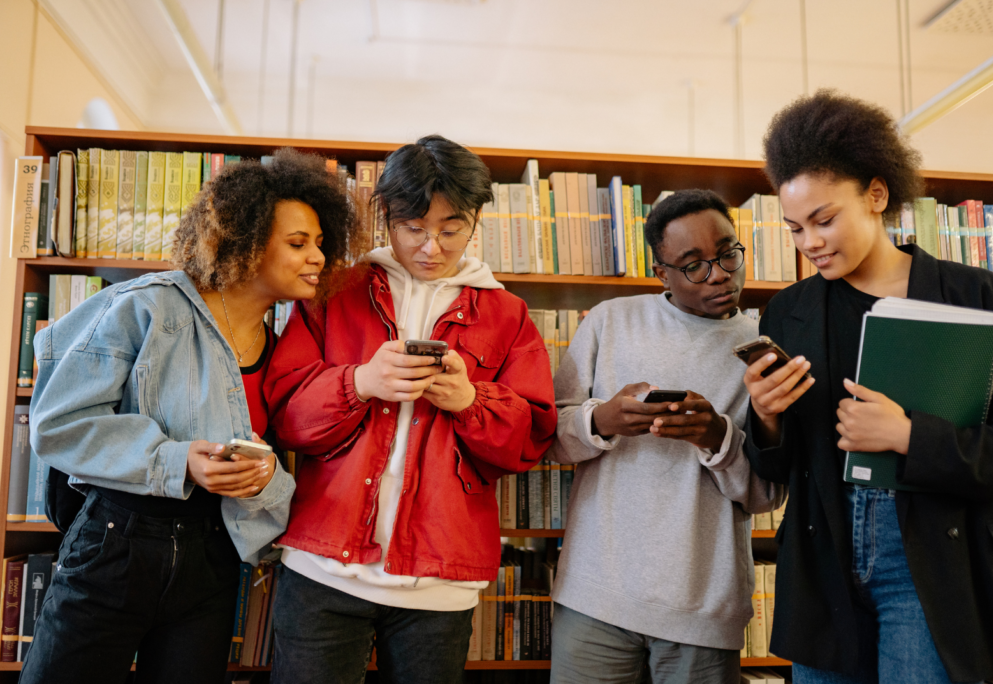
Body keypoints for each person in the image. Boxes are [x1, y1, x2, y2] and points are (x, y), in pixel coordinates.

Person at [24, 148, 357, 684]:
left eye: (320, 243)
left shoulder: (283, 351)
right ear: (246, 241)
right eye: (298, 243)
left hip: (213, 555)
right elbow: (59, 424)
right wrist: (180, 461)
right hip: (116, 542)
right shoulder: (146, 306)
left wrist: (264, 478)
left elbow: (276, 465)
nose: (318, 257)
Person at [742, 90, 993, 684]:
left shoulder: (984, 298)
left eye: (824, 220)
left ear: (876, 194)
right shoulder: (788, 312)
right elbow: (776, 467)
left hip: (935, 562)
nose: (810, 243)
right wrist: (765, 417)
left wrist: (909, 437)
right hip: (823, 563)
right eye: (794, 228)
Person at [264, 134, 558, 684]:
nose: (432, 248)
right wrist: (362, 382)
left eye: (451, 230)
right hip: (323, 567)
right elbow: (284, 417)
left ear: (475, 223)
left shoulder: (508, 314)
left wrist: (471, 401)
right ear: (387, 221)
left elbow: (530, 441)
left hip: (440, 581)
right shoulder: (335, 292)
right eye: (413, 228)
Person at [548, 189, 787, 684]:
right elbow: (549, 439)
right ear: (662, 273)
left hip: (703, 608)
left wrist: (718, 438)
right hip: (595, 594)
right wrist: (602, 421)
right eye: (693, 265)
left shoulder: (764, 350)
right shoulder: (610, 320)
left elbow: (767, 495)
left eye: (728, 254)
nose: (718, 274)